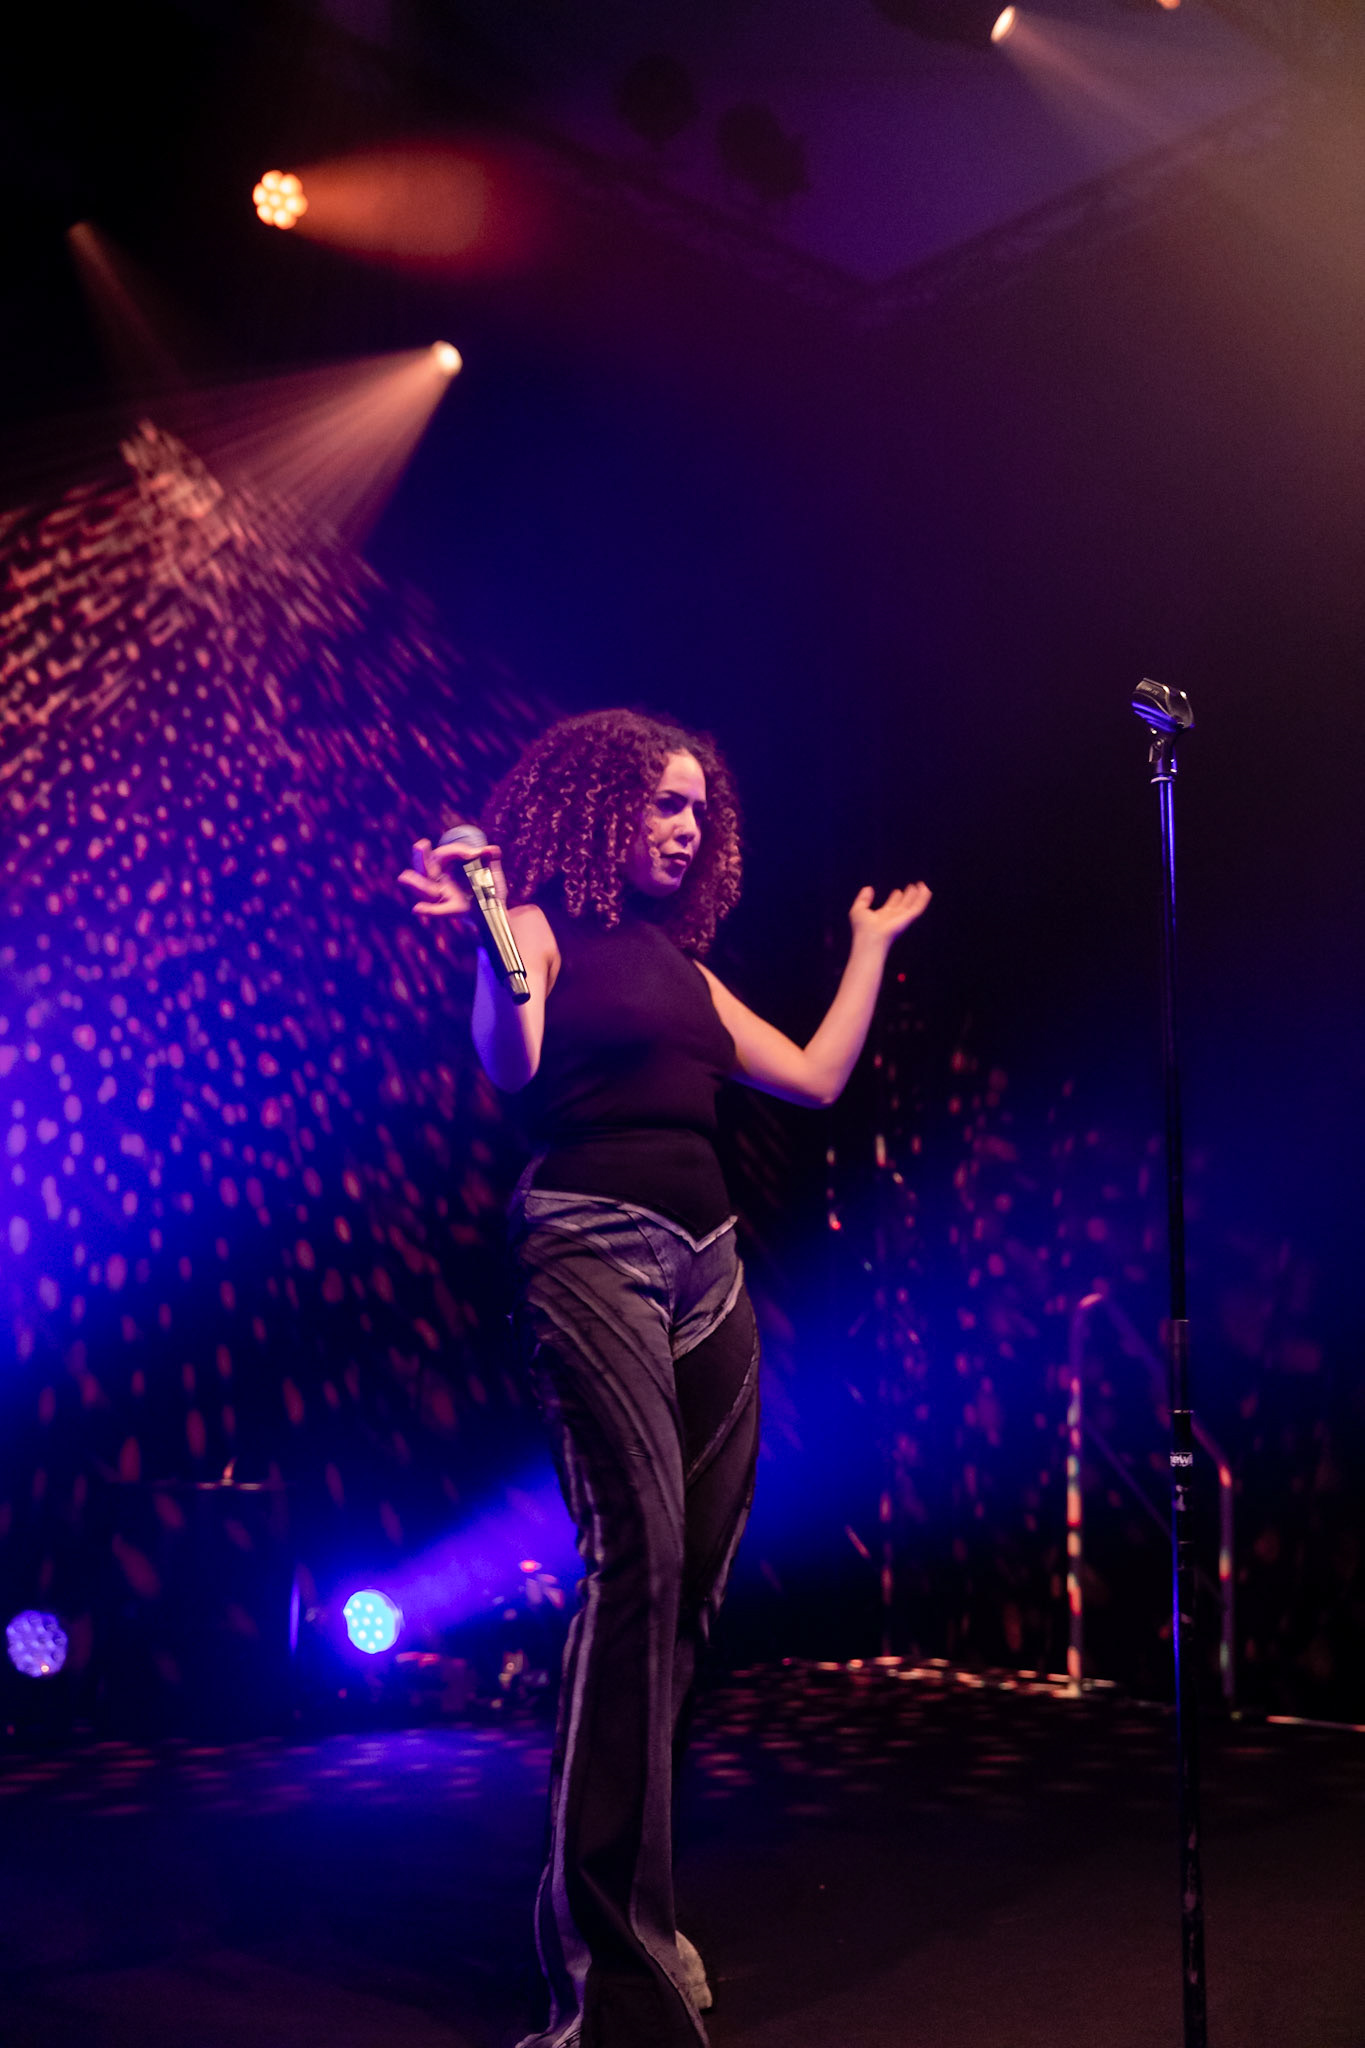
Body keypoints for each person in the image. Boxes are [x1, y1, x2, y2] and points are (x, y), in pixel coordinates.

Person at [400, 708, 930, 2048]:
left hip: (712, 1269)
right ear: (596, 806)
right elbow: (506, 1056)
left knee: (686, 1592)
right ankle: (600, 1960)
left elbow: (809, 1079)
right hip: (589, 1246)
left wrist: (865, 950)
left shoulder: (685, 970)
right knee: (636, 1558)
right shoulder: (532, 925)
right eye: (659, 804)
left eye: (695, 808)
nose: (682, 827)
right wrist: (481, 910)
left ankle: (642, 1914)